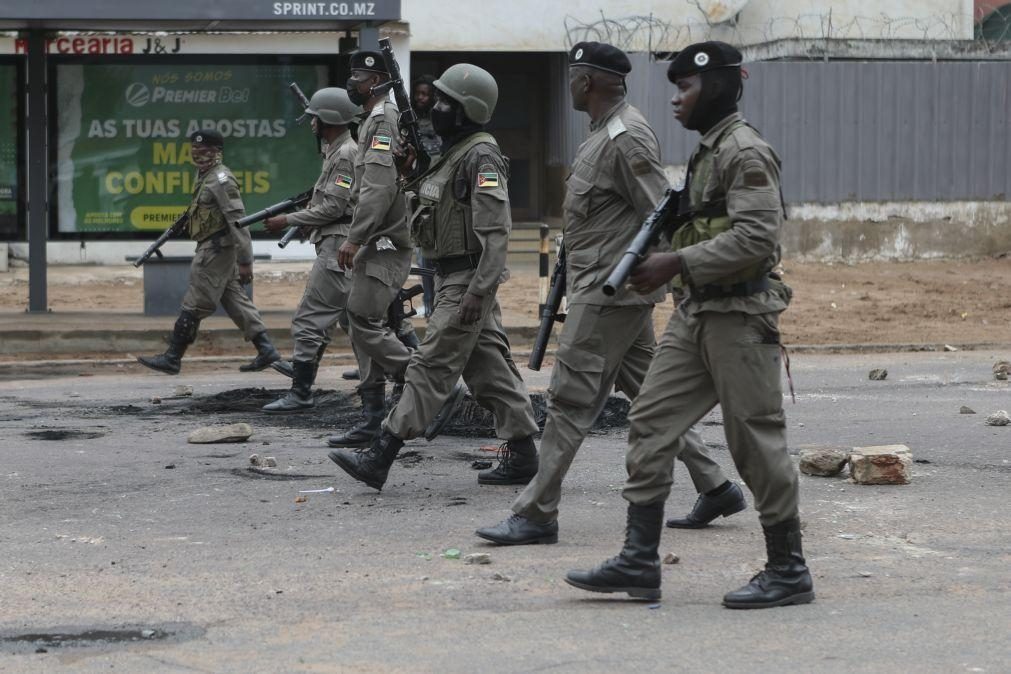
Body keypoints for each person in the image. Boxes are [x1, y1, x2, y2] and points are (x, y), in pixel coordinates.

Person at [565, 42, 814, 609]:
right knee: (650, 422)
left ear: (721, 87)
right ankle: (638, 561)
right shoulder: (709, 151)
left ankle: (788, 568)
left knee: (753, 440)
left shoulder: (745, 151)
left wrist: (675, 262)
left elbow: (756, 238)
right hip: (695, 314)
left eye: (686, 88)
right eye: (675, 88)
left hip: (739, 317)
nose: (676, 100)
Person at [475, 42, 744, 547]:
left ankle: (535, 513)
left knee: (569, 402)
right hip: (603, 287)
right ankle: (717, 486)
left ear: (589, 82)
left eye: (573, 77)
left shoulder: (626, 136)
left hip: (609, 292)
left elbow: (660, 214)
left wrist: (679, 281)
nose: (569, 85)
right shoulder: (599, 134)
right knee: (651, 397)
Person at [327, 63, 539, 491]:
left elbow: (497, 234)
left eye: (444, 102)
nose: (435, 107)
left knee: (429, 365)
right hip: (451, 277)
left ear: (466, 110)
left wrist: (479, 291)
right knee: (488, 371)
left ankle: (381, 454)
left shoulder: (481, 154)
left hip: (466, 279)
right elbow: (434, 206)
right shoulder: (453, 153)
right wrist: (409, 171)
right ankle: (524, 455)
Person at [324, 51, 427, 449]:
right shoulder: (373, 119)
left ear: (379, 79)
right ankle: (372, 417)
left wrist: (355, 236)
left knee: (361, 320)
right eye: (352, 74)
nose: (353, 82)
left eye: (360, 75)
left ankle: (422, 378)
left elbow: (379, 187)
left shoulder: (382, 119)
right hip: (376, 239)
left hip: (382, 241)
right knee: (363, 323)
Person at [137, 129, 280, 376]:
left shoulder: (221, 179)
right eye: (194, 150)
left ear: (217, 152)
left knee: (195, 303)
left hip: (215, 251)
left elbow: (238, 221)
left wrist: (246, 261)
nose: (198, 155)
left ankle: (173, 357)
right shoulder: (204, 175)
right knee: (236, 301)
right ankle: (266, 350)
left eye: (204, 151)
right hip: (214, 248)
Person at [260, 88, 361, 412]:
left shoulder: (344, 154)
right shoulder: (336, 150)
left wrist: (288, 219)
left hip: (336, 247)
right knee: (355, 320)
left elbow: (333, 207)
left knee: (310, 318)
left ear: (327, 120)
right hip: (334, 242)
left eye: (314, 118)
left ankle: (300, 391)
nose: (311, 124)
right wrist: (308, 222)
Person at [411, 73, 441, 318]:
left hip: (437, 194)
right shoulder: (408, 121)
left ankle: (436, 307)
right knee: (423, 260)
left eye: (425, 94)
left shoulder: (440, 122)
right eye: (418, 93)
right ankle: (429, 305)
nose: (420, 98)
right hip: (416, 194)